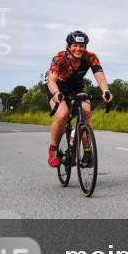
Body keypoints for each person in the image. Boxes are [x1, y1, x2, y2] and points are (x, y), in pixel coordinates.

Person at [45, 30, 113, 166]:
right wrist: (56, 93)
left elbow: (99, 75)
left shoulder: (91, 57)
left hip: (77, 87)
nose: (78, 49)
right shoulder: (59, 57)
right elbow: (51, 80)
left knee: (86, 111)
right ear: (69, 46)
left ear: (85, 47)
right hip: (57, 87)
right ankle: (53, 150)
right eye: (75, 45)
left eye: (81, 46)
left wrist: (105, 90)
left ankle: (88, 152)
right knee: (62, 114)